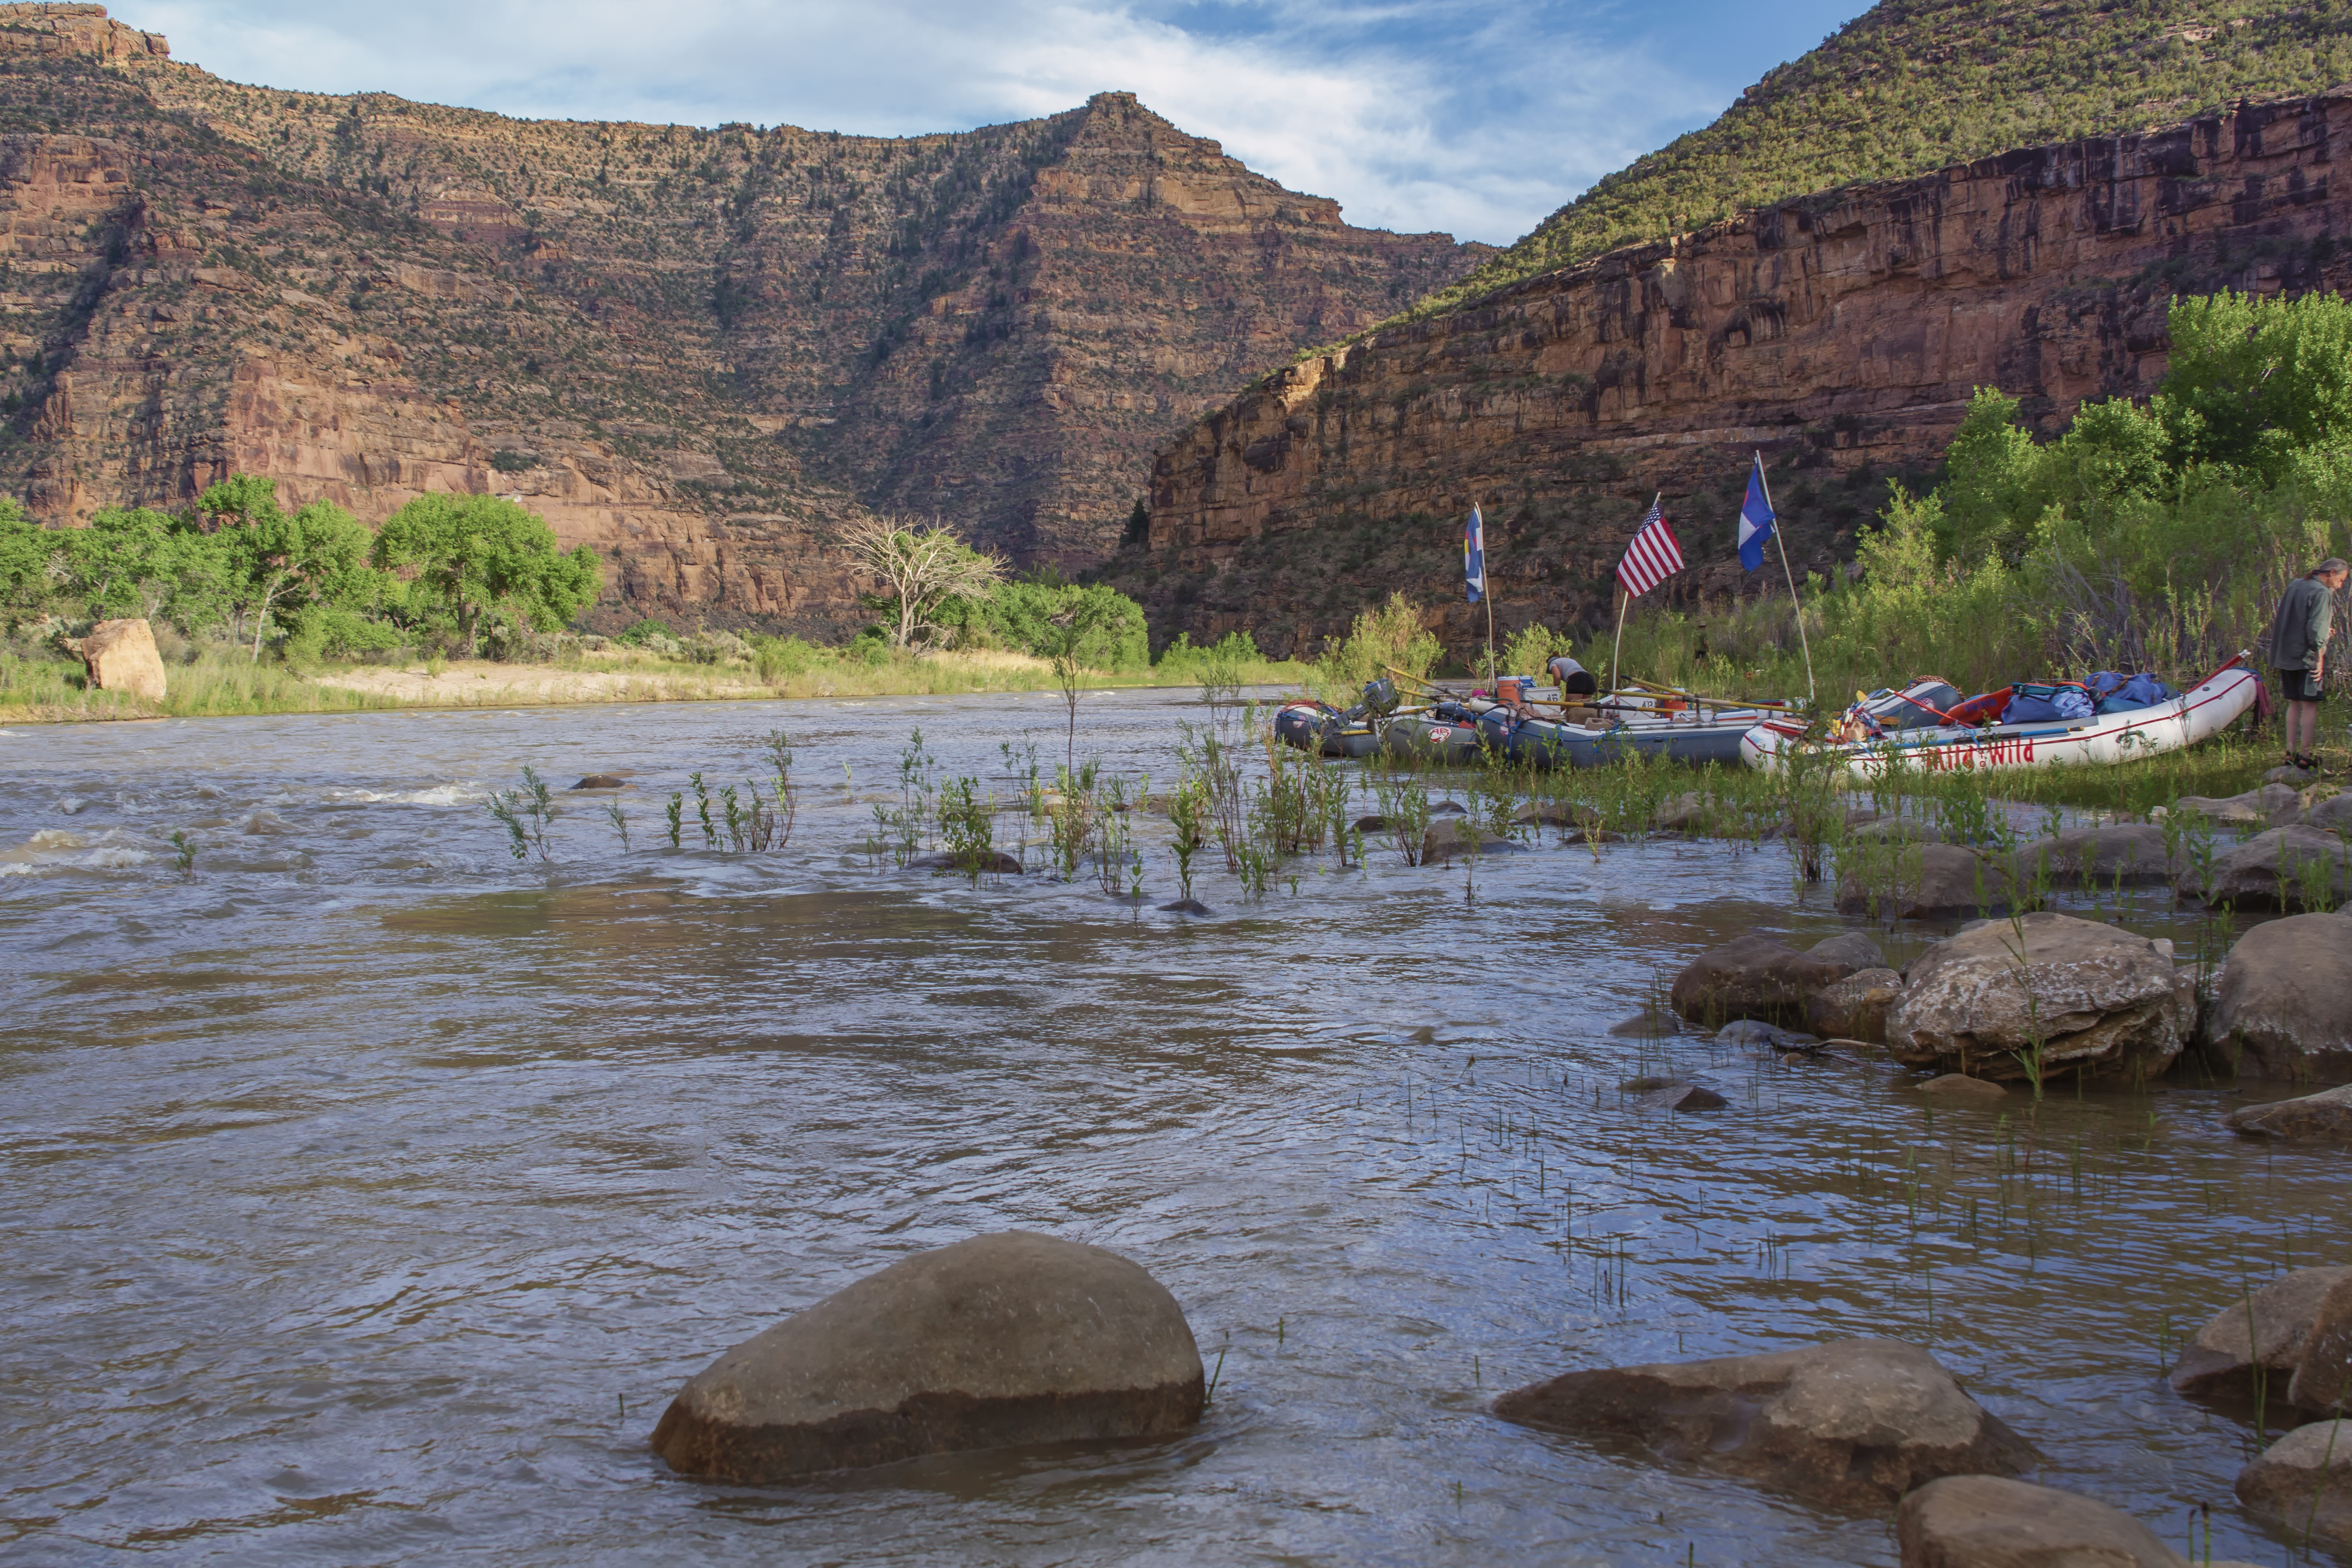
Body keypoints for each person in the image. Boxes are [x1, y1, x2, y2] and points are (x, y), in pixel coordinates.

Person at [2272, 557, 2349, 771]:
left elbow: (2296, 619)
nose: (2340, 586)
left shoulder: (2295, 584)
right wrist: (2320, 657)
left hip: (2285, 654)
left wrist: (2325, 632)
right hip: (2306, 657)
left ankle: (2290, 753)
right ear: (2332, 573)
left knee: (2293, 702)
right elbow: (2315, 631)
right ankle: (2306, 755)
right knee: (2309, 704)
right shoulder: (2322, 592)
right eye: (2341, 580)